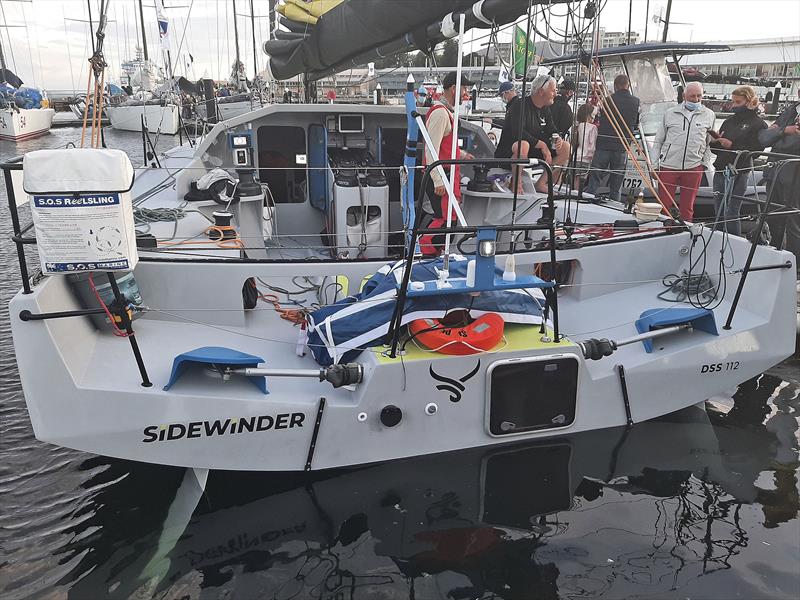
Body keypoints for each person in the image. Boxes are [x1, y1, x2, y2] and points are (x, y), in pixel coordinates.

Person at [420, 71, 475, 254]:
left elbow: (445, 146)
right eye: (464, 88)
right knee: (446, 220)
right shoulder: (441, 115)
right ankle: (425, 250)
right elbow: (431, 148)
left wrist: (462, 154)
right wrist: (438, 180)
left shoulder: (446, 113)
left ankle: (433, 252)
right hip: (442, 175)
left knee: (448, 219)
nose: (465, 93)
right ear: (454, 89)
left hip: (448, 174)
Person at [495, 74, 572, 194]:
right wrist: (542, 145)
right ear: (541, 91)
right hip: (509, 152)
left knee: (566, 147)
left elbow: (552, 128)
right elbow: (518, 133)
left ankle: (541, 184)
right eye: (553, 90)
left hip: (532, 150)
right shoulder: (519, 105)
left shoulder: (545, 109)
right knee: (523, 144)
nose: (556, 94)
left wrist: (558, 138)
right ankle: (516, 183)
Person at [653, 81, 715, 221]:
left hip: (693, 167)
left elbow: (709, 143)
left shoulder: (709, 115)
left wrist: (704, 165)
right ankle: (663, 232)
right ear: (684, 95)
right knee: (664, 205)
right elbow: (658, 141)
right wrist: (654, 165)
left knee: (688, 207)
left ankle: (686, 231)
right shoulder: (670, 113)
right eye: (692, 96)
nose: (696, 99)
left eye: (699, 96)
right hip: (668, 166)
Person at [709, 85, 767, 236]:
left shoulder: (758, 124)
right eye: (733, 102)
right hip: (721, 170)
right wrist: (715, 142)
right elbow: (715, 150)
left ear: (748, 102)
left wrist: (732, 145)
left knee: (732, 211)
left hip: (739, 172)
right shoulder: (728, 121)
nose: (734, 105)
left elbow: (756, 151)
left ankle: (734, 242)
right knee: (718, 211)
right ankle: (717, 239)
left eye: (738, 102)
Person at [585, 74, 640, 201]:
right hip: (621, 146)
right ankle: (614, 207)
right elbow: (635, 123)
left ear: (615, 86)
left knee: (595, 178)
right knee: (617, 183)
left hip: (604, 144)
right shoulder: (635, 102)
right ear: (628, 85)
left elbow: (600, 119)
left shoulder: (607, 100)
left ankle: (588, 202)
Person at [758, 99, 800, 260]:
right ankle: (774, 255)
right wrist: (784, 131)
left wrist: (777, 133)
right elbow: (763, 138)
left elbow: (793, 141)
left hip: (794, 175)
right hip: (774, 172)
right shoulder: (790, 110)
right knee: (773, 216)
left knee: (794, 221)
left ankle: (794, 262)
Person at [572, 103, 598, 189]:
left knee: (575, 182)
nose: (594, 118)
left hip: (574, 158)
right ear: (588, 115)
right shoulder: (592, 128)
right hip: (585, 159)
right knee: (580, 184)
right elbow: (592, 147)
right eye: (593, 115)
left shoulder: (575, 126)